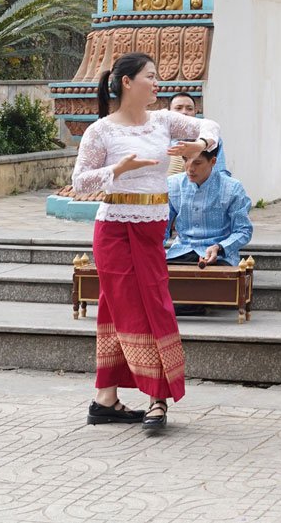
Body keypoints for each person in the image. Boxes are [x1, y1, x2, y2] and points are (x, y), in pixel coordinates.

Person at [71, 52, 220, 435]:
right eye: (150, 77)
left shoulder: (163, 121)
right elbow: (80, 181)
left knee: (151, 303)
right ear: (127, 82)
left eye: (157, 77)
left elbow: (211, 125)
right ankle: (155, 398)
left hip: (152, 230)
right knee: (124, 305)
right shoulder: (101, 131)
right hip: (114, 228)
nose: (157, 84)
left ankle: (106, 400)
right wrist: (116, 171)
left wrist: (199, 144)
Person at [164, 144, 253, 267]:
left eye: (197, 163)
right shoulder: (172, 184)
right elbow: (162, 227)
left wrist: (220, 247)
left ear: (213, 161)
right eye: (185, 160)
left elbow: (244, 230)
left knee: (217, 281)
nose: (190, 168)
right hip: (181, 251)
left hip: (220, 255)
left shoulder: (232, 188)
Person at [167, 93, 228, 175]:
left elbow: (220, 172)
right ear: (168, 112)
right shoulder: (160, 137)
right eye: (178, 108)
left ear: (195, 112)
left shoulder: (212, 139)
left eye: (189, 109)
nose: (184, 112)